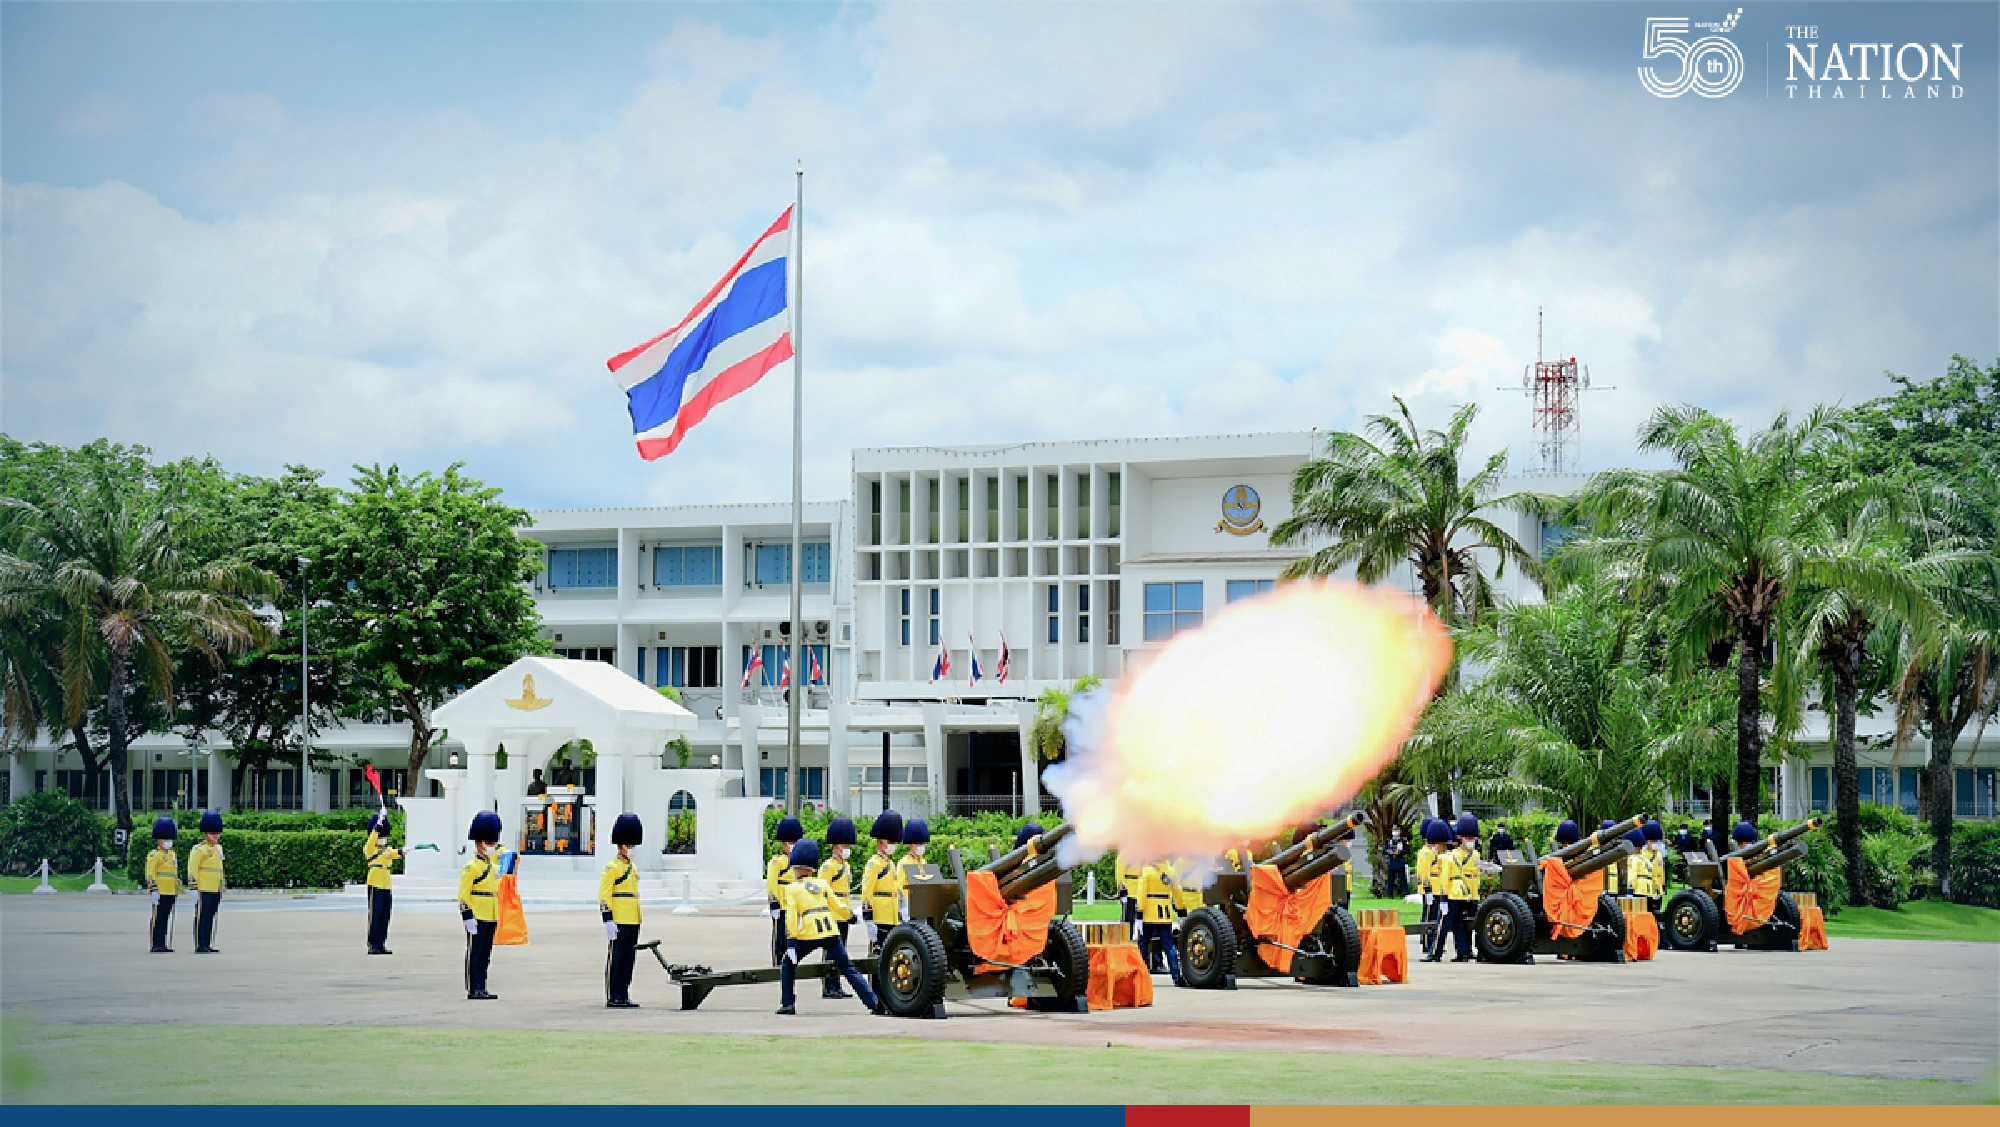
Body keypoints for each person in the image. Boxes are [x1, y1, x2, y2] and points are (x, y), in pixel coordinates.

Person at [775, 839, 883, 1016]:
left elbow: (792, 916)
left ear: (796, 868)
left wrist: (791, 941)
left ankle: (788, 1003)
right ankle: (873, 1002)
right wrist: (851, 917)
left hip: (809, 933)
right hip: (830, 930)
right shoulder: (821, 884)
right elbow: (837, 905)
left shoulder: (792, 888)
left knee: (788, 964)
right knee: (848, 968)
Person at [601, 813, 644, 1008]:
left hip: (633, 918)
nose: (633, 849)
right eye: (631, 846)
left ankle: (624, 992)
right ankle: (614, 994)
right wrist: (608, 919)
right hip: (618, 918)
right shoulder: (612, 868)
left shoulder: (633, 868)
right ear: (621, 846)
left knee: (629, 958)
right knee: (617, 959)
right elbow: (604, 895)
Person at [460, 810, 504, 1000]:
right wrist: (467, 916)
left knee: (486, 954)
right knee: (475, 953)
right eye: (489, 843)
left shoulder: (493, 867)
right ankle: (473, 987)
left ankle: (482, 986)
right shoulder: (471, 867)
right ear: (480, 844)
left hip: (491, 914)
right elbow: (462, 895)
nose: (492, 846)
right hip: (477, 914)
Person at [1428, 814, 1480, 962]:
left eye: (1472, 838)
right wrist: (1443, 896)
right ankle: (1435, 952)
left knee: (1463, 925)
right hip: (1454, 894)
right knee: (1444, 925)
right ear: (1461, 838)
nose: (1470, 841)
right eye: (1467, 838)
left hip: (1470, 895)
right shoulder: (1451, 856)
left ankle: (1464, 952)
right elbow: (1445, 878)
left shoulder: (1476, 855)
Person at [817, 816, 859, 1000]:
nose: (847, 849)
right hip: (832, 914)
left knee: (841, 952)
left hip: (844, 914)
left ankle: (837, 984)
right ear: (836, 846)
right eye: (844, 845)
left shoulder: (846, 866)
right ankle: (829, 985)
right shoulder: (828, 867)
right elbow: (824, 893)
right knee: (831, 952)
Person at [859, 809, 904, 954]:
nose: (892, 845)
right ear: (881, 843)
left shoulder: (891, 863)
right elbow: (867, 891)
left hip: (891, 916)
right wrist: (869, 918)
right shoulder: (874, 863)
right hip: (879, 915)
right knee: (877, 955)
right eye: (890, 842)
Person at [1136, 858, 1186, 986]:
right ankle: (1176, 975)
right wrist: (1181, 910)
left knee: (1143, 944)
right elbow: (1177, 891)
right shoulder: (1170, 870)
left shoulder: (1147, 871)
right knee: (1169, 946)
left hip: (1149, 913)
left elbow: (1141, 893)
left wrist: (1139, 913)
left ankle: (1143, 974)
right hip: (1165, 912)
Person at [766, 815, 805, 965]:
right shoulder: (777, 862)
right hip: (781, 906)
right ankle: (777, 964)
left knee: (792, 938)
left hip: (793, 907)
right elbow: (771, 884)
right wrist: (773, 904)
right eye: (790, 842)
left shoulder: (796, 862)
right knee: (779, 939)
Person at [363, 812, 402, 954]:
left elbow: (396, 852)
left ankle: (381, 943)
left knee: (385, 915)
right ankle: (373, 944)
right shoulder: (370, 848)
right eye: (381, 836)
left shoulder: (386, 850)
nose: (383, 839)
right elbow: (372, 838)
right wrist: (378, 824)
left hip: (386, 884)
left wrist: (404, 851)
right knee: (375, 915)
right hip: (375, 883)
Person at [189, 811, 226, 954]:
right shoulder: (199, 850)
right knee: (202, 917)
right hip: (203, 888)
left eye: (217, 833)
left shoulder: (218, 849)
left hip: (215, 888)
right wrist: (193, 887)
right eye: (213, 833)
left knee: (210, 916)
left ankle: (208, 943)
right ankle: (200, 944)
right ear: (206, 834)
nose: (216, 836)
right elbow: (193, 869)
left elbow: (219, 869)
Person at [144, 816, 181, 953]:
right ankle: (155, 943)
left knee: (165, 919)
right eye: (165, 839)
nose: (168, 842)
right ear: (159, 840)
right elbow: (150, 873)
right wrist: (153, 889)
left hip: (170, 891)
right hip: (159, 891)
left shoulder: (172, 855)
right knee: (157, 918)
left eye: (169, 839)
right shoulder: (154, 855)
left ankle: (163, 943)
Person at [1415, 817, 1446, 949]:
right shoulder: (1425, 853)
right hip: (1429, 890)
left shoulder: (1434, 853)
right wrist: (1427, 889)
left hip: (1437, 888)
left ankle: (1431, 940)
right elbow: (1423, 873)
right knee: (1428, 917)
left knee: (1434, 917)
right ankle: (1427, 942)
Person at [1382, 827, 1409, 899]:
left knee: (1402, 879)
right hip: (1392, 862)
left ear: (1400, 831)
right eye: (1394, 830)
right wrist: (1390, 852)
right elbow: (1384, 850)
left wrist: (1400, 852)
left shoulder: (1403, 841)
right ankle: (1389, 895)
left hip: (1400, 861)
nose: (1395, 832)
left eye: (1396, 830)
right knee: (1390, 879)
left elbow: (1407, 850)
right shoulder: (1389, 841)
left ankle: (1406, 893)